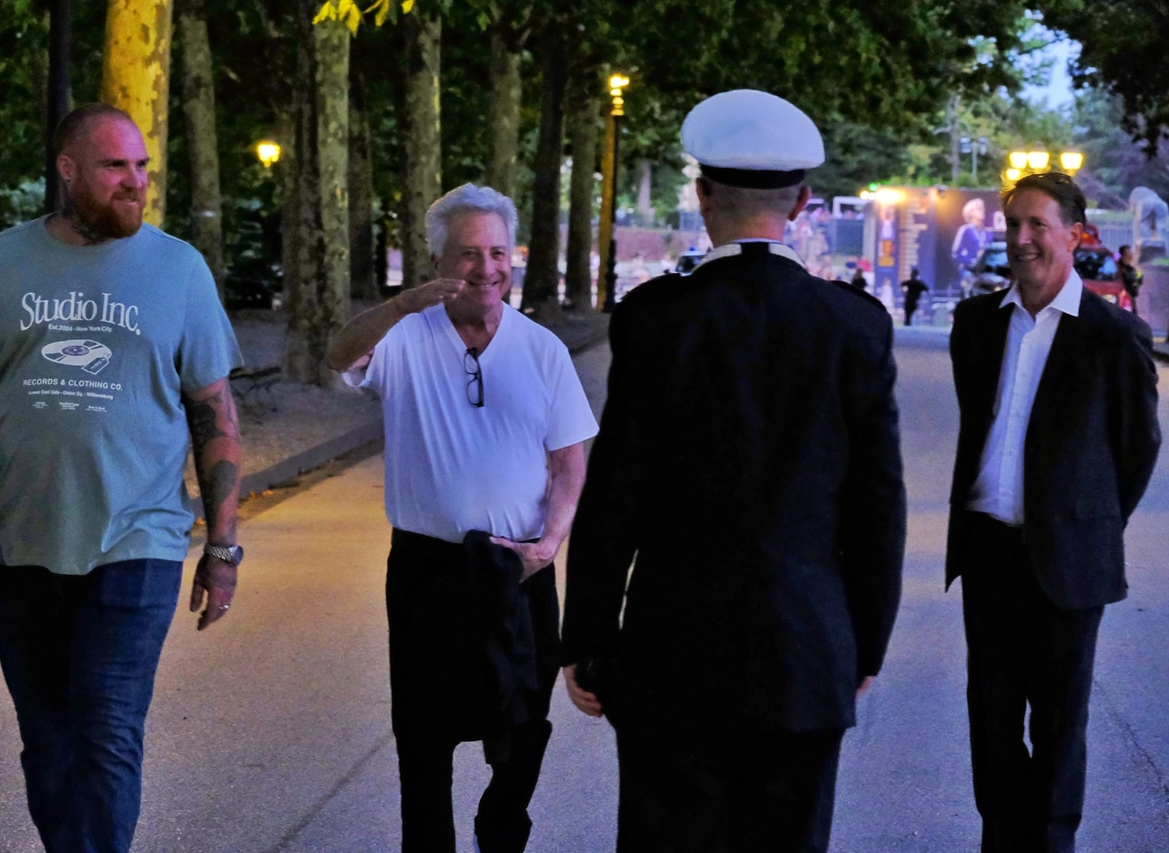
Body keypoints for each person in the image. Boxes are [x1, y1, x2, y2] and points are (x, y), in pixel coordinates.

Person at [561, 89, 906, 853]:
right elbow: (877, 506)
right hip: (806, 654)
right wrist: (864, 646)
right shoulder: (854, 327)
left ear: (701, 193)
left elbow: (615, 489)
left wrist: (586, 635)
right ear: (804, 201)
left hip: (670, 655)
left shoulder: (656, 318)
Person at [0, 103, 244, 853]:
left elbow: (216, 414)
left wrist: (223, 546)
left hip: (139, 539)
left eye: (141, 167)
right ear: (67, 170)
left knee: (105, 733)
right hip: (20, 541)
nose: (135, 183)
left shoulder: (178, 269)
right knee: (48, 744)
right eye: (115, 168)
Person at [326, 183, 598, 853]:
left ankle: (500, 830)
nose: (487, 268)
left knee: (526, 724)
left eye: (498, 252)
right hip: (430, 568)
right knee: (423, 734)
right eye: (469, 253)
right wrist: (399, 305)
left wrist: (550, 543)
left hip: (520, 567)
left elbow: (569, 464)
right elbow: (339, 356)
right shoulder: (405, 337)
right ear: (438, 258)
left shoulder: (541, 350)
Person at [946, 173, 1160, 852]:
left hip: (1068, 558)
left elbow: (1136, 449)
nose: (1022, 239)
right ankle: (1001, 841)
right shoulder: (975, 325)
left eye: (1038, 225)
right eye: (1014, 225)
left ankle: (1051, 844)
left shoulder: (1111, 335)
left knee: (1061, 722)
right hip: (987, 552)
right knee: (992, 716)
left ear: (1074, 234)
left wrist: (1085, 520)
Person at [953, 197, 991, 300]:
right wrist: (971, 262)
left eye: (982, 208)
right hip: (969, 270)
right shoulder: (965, 230)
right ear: (971, 212)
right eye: (979, 208)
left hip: (986, 271)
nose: (982, 210)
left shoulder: (988, 232)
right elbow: (956, 253)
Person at [1118, 244, 1143, 315]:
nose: (1130, 256)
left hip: (1131, 301)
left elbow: (1138, 282)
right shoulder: (1118, 269)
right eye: (1128, 254)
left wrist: (1139, 275)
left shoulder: (1132, 270)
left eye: (1130, 254)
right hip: (1122, 301)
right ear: (1123, 256)